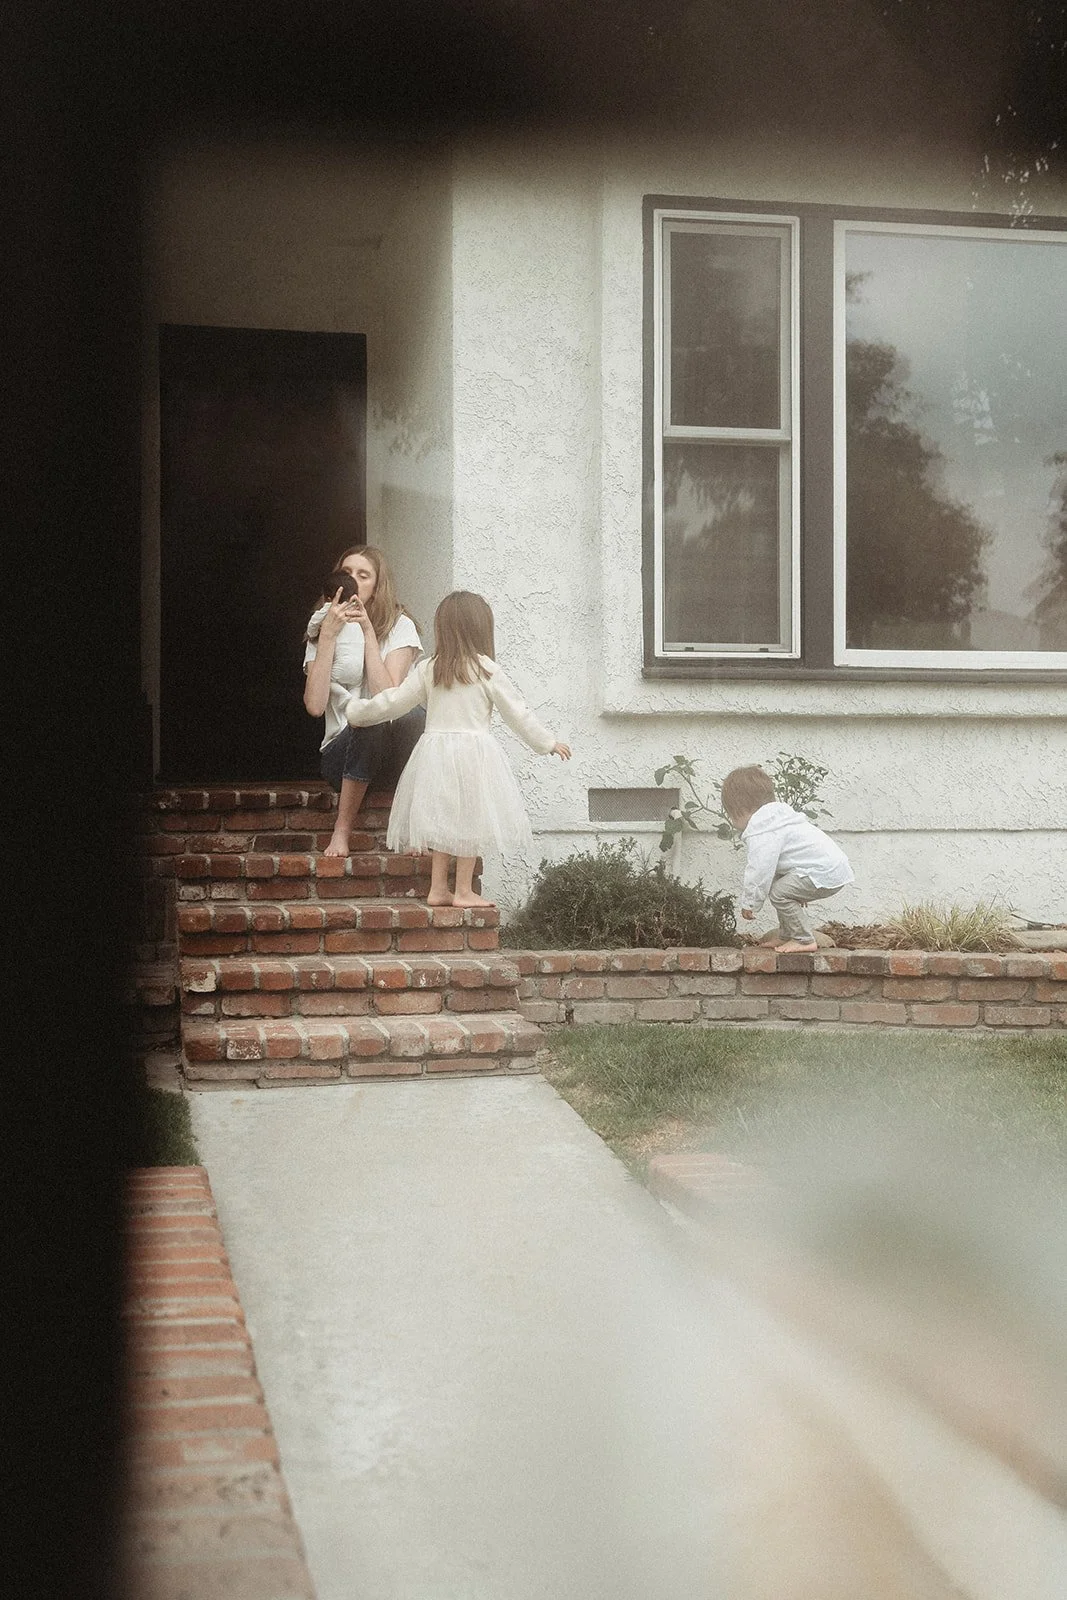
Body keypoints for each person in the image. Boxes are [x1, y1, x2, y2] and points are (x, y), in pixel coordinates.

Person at [343, 591, 571, 907]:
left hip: (435, 753)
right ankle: (463, 891)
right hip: (474, 754)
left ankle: (438, 889)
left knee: (442, 819)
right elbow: (517, 713)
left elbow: (393, 702)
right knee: (469, 821)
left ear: (444, 628)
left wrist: (358, 712)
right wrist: (546, 743)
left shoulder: (429, 668)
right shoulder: (487, 670)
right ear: (481, 628)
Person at [303, 544, 425, 856]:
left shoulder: (399, 626)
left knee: (412, 716)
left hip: (391, 756)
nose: (353, 581)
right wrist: (328, 637)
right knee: (368, 720)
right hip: (340, 757)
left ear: (377, 585)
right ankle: (341, 832)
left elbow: (390, 698)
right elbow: (315, 706)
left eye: (363, 575)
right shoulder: (322, 625)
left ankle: (413, 825)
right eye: (347, 574)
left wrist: (368, 633)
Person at [721, 765, 854, 953]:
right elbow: (779, 867)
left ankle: (803, 939)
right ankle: (786, 935)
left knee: (778, 893)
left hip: (821, 871)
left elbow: (760, 869)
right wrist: (798, 890)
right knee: (781, 890)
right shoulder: (779, 818)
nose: (732, 821)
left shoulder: (762, 828)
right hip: (830, 869)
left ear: (740, 809)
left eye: (730, 814)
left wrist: (750, 902)